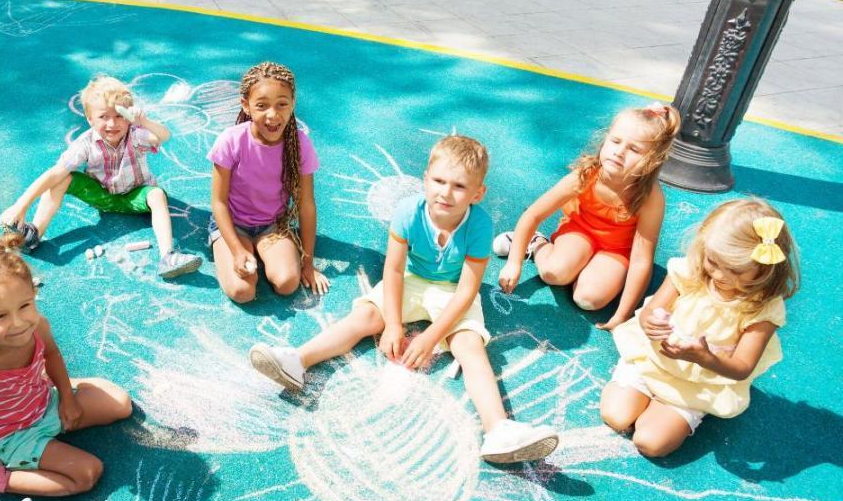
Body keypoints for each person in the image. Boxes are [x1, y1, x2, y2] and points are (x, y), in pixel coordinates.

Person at [249, 136, 559, 464]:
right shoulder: (409, 211)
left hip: (453, 291)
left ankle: (498, 430)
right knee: (364, 318)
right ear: (425, 179)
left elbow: (468, 290)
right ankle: (297, 361)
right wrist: (394, 325)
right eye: (438, 181)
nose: (445, 192)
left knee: (470, 347)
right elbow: (394, 270)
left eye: (458, 186)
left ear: (477, 194)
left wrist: (431, 336)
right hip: (410, 280)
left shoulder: (479, 224)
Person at [0, 234, 133, 496]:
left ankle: (63, 387)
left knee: (121, 403)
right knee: (87, 474)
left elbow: (53, 354)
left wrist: (67, 397)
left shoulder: (38, 326)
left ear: (33, 295)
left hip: (44, 402)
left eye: (25, 306)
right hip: (11, 436)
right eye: (0, 316)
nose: (18, 322)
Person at [599, 198, 798, 458]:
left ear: (765, 268)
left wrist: (703, 357)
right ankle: (643, 389)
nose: (719, 276)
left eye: (736, 271)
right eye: (713, 262)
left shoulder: (762, 308)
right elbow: (649, 312)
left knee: (651, 443)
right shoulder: (690, 269)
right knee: (616, 416)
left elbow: (741, 368)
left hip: (699, 384)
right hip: (653, 361)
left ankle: (676, 410)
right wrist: (652, 323)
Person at [0, 75, 202, 280]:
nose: (112, 123)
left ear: (128, 116)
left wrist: (143, 122)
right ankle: (34, 235)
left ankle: (168, 255)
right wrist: (21, 206)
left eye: (119, 116)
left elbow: (163, 136)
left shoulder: (136, 134)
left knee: (157, 195)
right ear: (89, 118)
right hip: (102, 195)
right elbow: (55, 173)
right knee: (62, 177)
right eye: (103, 117)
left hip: (135, 196)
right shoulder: (85, 143)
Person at [496, 105, 680, 330]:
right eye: (615, 141)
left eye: (634, 149)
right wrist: (514, 264)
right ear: (605, 140)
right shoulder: (586, 175)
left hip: (616, 251)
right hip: (579, 232)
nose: (620, 151)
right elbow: (533, 214)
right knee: (553, 273)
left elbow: (642, 260)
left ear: (652, 160)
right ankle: (536, 244)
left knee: (589, 299)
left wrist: (623, 315)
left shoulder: (650, 197)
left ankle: (584, 269)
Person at [208, 61, 329, 303]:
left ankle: (265, 253)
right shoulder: (230, 141)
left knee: (287, 283)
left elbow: (306, 205)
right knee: (243, 292)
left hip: (272, 227)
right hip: (233, 225)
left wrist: (307, 262)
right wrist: (237, 249)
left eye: (282, 104)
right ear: (246, 105)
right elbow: (218, 203)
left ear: (293, 103)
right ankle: (240, 251)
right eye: (262, 106)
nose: (273, 115)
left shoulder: (301, 144)